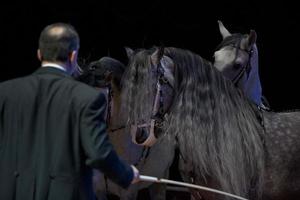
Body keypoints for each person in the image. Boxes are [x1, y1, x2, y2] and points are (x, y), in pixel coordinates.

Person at [0, 22, 139, 200]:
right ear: (73, 56)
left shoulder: (5, 92)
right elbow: (98, 154)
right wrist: (127, 174)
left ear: (40, 54)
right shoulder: (87, 98)